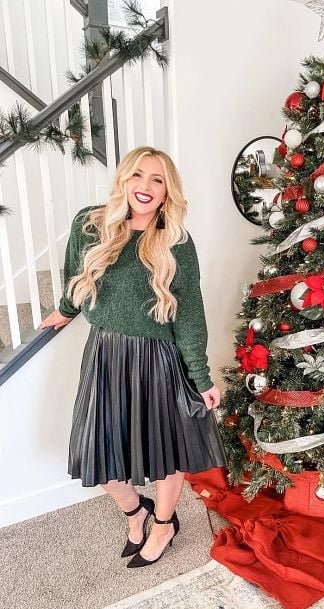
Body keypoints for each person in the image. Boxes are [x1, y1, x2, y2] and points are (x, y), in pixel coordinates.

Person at [40, 146, 226, 568]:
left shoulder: (175, 241)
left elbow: (189, 312)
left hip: (157, 361)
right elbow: (76, 275)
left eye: (157, 180)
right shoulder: (89, 225)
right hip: (105, 355)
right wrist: (67, 310)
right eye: (138, 175)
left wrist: (200, 376)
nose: (145, 186)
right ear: (124, 179)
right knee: (99, 455)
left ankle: (163, 524)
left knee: (165, 454)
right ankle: (136, 512)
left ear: (166, 193)